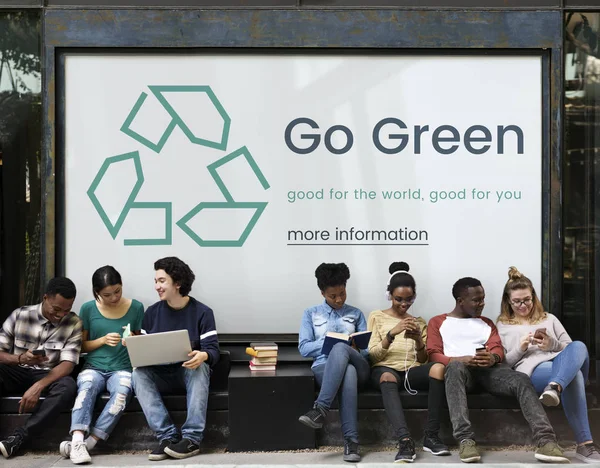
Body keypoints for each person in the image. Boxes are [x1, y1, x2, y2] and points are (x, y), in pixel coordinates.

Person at [427, 277, 568, 464]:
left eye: (483, 299)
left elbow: (497, 349)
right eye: (476, 300)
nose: (482, 304)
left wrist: (492, 358)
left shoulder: (487, 323)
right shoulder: (438, 322)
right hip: (460, 372)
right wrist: (460, 359)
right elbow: (433, 354)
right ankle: (465, 440)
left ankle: (546, 441)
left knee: (520, 379)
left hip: (489, 372)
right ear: (460, 301)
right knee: (453, 368)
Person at [497, 266, 600, 463]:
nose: (523, 305)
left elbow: (573, 350)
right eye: (517, 301)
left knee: (579, 345)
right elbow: (504, 365)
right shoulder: (502, 326)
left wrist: (552, 344)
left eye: (527, 300)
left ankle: (555, 387)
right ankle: (585, 445)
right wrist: (521, 348)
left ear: (533, 296)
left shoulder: (549, 318)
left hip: (561, 365)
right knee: (575, 376)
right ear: (508, 301)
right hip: (534, 371)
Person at [132, 257, 219, 461]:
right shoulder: (152, 313)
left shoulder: (203, 313)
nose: (157, 287)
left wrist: (203, 355)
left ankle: (191, 439)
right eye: (156, 281)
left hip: (188, 372)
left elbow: (213, 350)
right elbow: (144, 351)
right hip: (160, 373)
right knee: (138, 374)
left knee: (201, 367)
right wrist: (134, 345)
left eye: (162, 281)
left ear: (177, 283)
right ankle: (168, 437)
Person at [58, 266, 144, 464]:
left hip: (123, 368)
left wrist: (132, 340)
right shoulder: (88, 309)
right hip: (94, 367)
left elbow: (141, 345)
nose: (114, 297)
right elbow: (80, 346)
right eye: (107, 294)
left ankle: (89, 444)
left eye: (117, 291)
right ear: (96, 292)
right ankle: (78, 440)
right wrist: (103, 340)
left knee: (121, 395)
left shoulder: (137, 307)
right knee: (86, 389)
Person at [367, 261, 449, 462]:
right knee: (387, 376)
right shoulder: (376, 316)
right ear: (389, 296)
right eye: (398, 299)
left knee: (438, 368)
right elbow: (372, 356)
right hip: (385, 369)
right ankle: (404, 440)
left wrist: (419, 341)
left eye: (409, 299)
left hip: (411, 371)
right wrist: (391, 334)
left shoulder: (419, 322)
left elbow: (423, 360)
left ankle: (431, 436)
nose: (404, 304)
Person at [0, 277, 82, 459]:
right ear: (45, 298)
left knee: (68, 386)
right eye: (56, 309)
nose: (61, 315)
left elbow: (68, 364)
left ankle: (19, 438)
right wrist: (20, 358)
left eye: (66, 310)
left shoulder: (74, 322)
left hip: (47, 375)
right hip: (16, 370)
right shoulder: (20, 315)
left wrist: (39, 386)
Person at [298, 262, 370, 463]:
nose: (339, 299)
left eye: (342, 293)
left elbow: (367, 353)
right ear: (322, 293)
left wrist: (350, 347)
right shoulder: (310, 314)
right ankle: (351, 442)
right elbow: (304, 348)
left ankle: (320, 409)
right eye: (333, 296)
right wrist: (330, 339)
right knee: (347, 371)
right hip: (325, 367)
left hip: (360, 365)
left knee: (343, 353)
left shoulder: (356, 313)